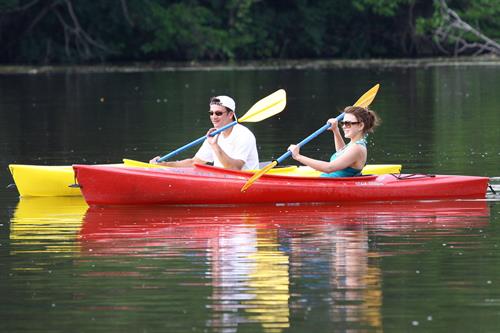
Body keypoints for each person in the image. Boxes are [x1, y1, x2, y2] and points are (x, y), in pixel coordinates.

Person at [150, 95, 259, 170]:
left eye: (218, 113)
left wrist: (214, 145)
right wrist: (164, 165)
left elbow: (235, 168)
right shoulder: (213, 135)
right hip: (221, 180)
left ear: (230, 114)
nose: (214, 117)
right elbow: (194, 163)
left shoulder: (244, 135)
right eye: (211, 113)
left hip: (244, 181)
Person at [287, 106, 380, 177]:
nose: (343, 126)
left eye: (348, 123)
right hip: (326, 183)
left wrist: (298, 157)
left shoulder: (357, 148)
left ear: (360, 126)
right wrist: (335, 130)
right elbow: (341, 152)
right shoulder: (354, 144)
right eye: (343, 123)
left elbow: (329, 168)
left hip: (330, 186)